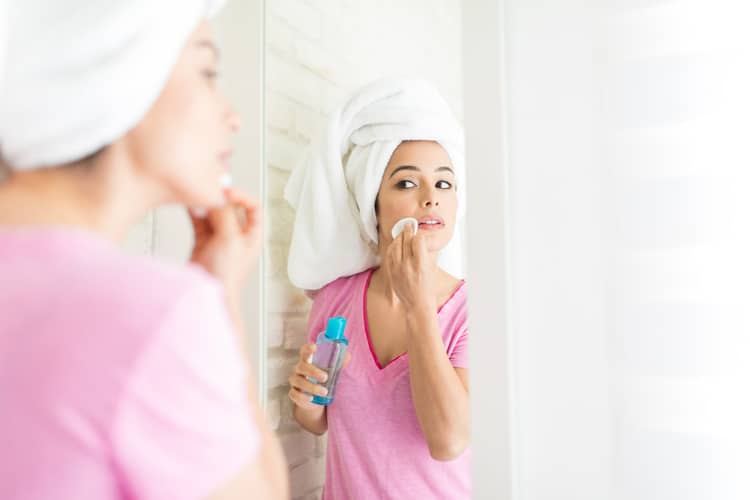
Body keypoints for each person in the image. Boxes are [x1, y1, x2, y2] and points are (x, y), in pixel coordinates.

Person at [0, 1, 287, 499]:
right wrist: (221, 303)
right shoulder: (155, 313)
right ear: (121, 72)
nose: (233, 117)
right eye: (207, 71)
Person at [284, 79, 471, 499]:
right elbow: (319, 421)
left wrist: (418, 305)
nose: (431, 198)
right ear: (374, 201)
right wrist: (306, 399)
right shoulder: (335, 300)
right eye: (407, 183)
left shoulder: (472, 311)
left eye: (444, 183)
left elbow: (449, 441)